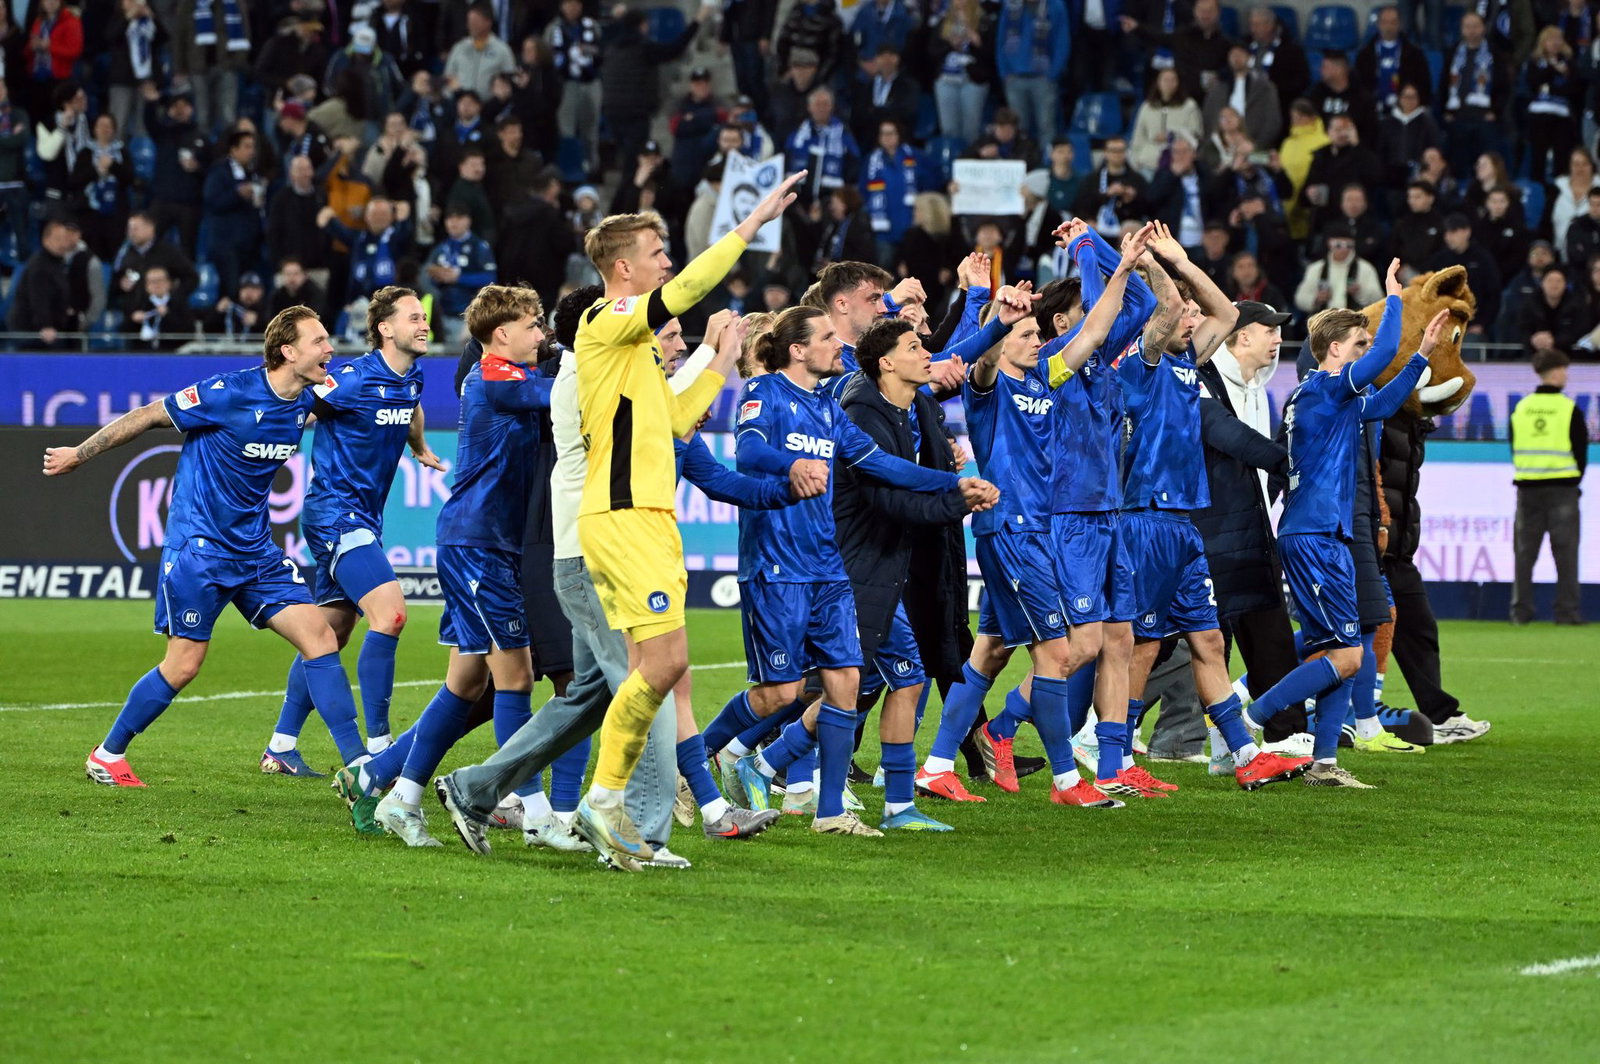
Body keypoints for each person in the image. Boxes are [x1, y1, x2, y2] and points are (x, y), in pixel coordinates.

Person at [559, 171, 804, 868]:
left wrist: (722, 361)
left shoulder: (634, 351)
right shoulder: (604, 322)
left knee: (660, 670)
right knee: (664, 665)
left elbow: (672, 418)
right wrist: (751, 224)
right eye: (658, 251)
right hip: (623, 516)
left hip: (649, 517)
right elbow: (687, 290)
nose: (668, 260)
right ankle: (603, 802)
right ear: (623, 268)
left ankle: (622, 821)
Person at [46, 306, 370, 789]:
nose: (330, 349)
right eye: (319, 341)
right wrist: (80, 453)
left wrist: (417, 439)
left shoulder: (308, 397)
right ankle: (108, 755)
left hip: (256, 552)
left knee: (321, 638)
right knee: (184, 664)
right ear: (287, 351)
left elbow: (388, 404)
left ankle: (360, 768)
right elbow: (147, 415)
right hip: (200, 551)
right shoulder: (229, 392)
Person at [708, 305, 988, 836]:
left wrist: (948, 485)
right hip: (778, 563)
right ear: (797, 349)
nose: (839, 344)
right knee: (781, 695)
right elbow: (748, 452)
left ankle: (833, 812)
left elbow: (881, 464)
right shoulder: (763, 394)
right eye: (828, 337)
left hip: (828, 566)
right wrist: (788, 466)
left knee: (847, 684)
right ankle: (701, 757)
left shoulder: (827, 408)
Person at [334, 284, 555, 846]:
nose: (542, 334)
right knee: (517, 677)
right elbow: (565, 396)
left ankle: (395, 792)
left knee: (467, 680)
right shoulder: (497, 376)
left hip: (485, 542)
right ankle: (528, 806)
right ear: (502, 334)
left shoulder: (510, 375)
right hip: (479, 543)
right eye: (533, 325)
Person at [935, 237, 1147, 807]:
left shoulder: (1042, 377)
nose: (1037, 341)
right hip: (1012, 531)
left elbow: (1095, 331)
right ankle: (1066, 782)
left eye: (1036, 333)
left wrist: (1122, 267)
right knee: (1057, 653)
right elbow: (975, 362)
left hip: (1037, 532)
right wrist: (994, 314)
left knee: (994, 650)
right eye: (1026, 334)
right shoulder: (990, 385)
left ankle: (936, 764)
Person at [1120, 222, 1318, 791]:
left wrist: (1181, 261)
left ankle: (1243, 753)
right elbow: (1167, 312)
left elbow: (1227, 314)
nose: (1194, 316)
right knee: (1138, 648)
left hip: (1184, 523)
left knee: (1207, 642)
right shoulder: (1145, 362)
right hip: (1147, 518)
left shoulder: (1188, 363)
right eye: (1184, 312)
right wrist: (1153, 267)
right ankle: (1108, 750)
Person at [1241, 264, 1439, 788]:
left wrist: (1420, 358)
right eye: (1359, 343)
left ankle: (1324, 763)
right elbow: (1379, 357)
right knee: (1349, 653)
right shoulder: (1327, 387)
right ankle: (1248, 720)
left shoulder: (1334, 399)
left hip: (1325, 535)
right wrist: (1393, 299)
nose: (1367, 351)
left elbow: (1384, 403)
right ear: (1334, 349)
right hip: (1314, 536)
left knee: (1339, 653)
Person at [261, 288, 442, 782]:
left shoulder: (412, 377)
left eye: (424, 317)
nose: (424, 324)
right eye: (413, 318)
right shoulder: (353, 378)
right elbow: (300, 406)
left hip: (365, 520)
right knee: (391, 613)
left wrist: (419, 447)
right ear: (385, 328)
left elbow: (412, 407)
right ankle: (380, 745)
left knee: (329, 634)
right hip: (334, 515)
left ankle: (281, 746)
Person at [831, 316, 1003, 830]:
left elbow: (959, 358)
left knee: (904, 679)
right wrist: (955, 497)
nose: (926, 352)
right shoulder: (863, 414)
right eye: (913, 346)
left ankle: (899, 806)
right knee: (821, 690)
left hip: (892, 568)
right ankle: (762, 760)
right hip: (856, 567)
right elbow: (889, 500)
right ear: (886, 362)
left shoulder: (911, 410)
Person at [1194, 302, 1311, 753]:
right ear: (1241, 335)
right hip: (1208, 534)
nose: (1278, 338)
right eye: (1270, 330)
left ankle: (1287, 735)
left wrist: (1276, 490)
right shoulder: (1202, 379)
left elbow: (1262, 464)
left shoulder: (1259, 387)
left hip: (1253, 533)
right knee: (1196, 646)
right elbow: (1229, 438)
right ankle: (1098, 731)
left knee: (1271, 636)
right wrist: (1296, 462)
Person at [1509, 348, 1587, 626]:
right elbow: (1580, 451)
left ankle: (1520, 612)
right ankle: (1567, 612)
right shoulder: (1569, 409)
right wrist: (1573, 480)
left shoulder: (1522, 407)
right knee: (1566, 554)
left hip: (1527, 489)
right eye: (1564, 369)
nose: (1566, 374)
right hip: (1562, 490)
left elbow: (1513, 444)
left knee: (1523, 555)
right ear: (1555, 371)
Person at [995, 0, 1068, 146]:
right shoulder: (1010, 6)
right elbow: (1001, 41)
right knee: (1018, 129)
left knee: (1046, 126)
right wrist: (1005, 73)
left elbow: (1062, 42)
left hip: (1043, 78)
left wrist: (1052, 74)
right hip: (1014, 78)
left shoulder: (1055, 6)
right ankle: (1022, 163)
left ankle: (1047, 164)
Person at [202, 128, 265, 298]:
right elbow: (212, 201)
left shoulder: (252, 173)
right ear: (234, 149)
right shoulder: (219, 171)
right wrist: (237, 194)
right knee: (231, 291)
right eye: (247, 146)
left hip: (248, 246)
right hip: (226, 245)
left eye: (253, 147)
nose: (251, 151)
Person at [6, 216, 81, 348]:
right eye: (58, 239)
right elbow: (39, 298)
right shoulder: (40, 266)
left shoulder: (57, 262)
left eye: (65, 239)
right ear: (45, 240)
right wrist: (45, 325)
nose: (63, 244)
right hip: (32, 331)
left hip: (48, 327)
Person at [426, 203, 497, 340]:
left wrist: (458, 278)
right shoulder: (440, 248)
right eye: (449, 219)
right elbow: (427, 280)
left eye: (458, 218)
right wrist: (437, 277)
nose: (453, 222)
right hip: (442, 315)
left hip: (468, 317)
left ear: (468, 220)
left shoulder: (479, 247)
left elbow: (490, 278)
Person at [111, 211, 198, 314]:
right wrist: (121, 285)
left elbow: (191, 278)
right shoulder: (124, 254)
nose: (131, 233)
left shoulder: (169, 252)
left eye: (135, 229)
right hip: (134, 318)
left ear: (150, 228)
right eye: (129, 229)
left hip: (166, 315)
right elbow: (114, 286)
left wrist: (172, 301)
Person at [444, 2, 516, 99]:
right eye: (469, 21)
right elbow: (448, 78)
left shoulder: (502, 50)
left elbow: (510, 81)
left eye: (475, 22)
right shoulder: (459, 48)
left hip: (490, 108)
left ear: (488, 22)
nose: (470, 26)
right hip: (460, 105)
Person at [127, 264, 197, 350]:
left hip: (173, 352)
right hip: (143, 354)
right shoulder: (139, 303)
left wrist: (167, 315)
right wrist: (134, 321)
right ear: (146, 286)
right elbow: (125, 334)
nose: (156, 285)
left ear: (169, 283)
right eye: (152, 281)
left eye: (160, 280)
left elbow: (188, 332)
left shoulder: (179, 303)